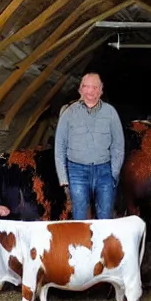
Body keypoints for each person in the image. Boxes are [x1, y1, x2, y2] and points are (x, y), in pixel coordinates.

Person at [54, 73, 124, 220]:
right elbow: (59, 147)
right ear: (80, 90)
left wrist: (114, 173)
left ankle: (101, 243)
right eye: (86, 87)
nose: (90, 92)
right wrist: (63, 179)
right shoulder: (69, 113)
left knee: (105, 217)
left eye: (94, 87)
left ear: (101, 90)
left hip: (104, 171)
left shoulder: (110, 113)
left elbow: (118, 145)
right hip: (77, 171)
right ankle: (83, 243)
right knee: (80, 217)